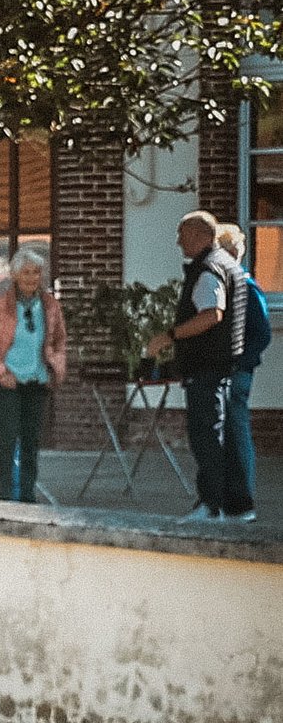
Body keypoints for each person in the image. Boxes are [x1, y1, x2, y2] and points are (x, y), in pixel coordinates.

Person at [145, 209, 247, 522]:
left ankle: (211, 505)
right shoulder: (229, 264)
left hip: (206, 367)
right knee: (226, 437)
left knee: (206, 437)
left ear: (198, 234)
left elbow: (211, 314)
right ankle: (238, 506)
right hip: (224, 365)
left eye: (182, 235)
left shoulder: (208, 269)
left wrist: (169, 336)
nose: (178, 242)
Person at [0, 248, 69, 502]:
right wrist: (0, 372)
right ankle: (1, 496)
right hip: (8, 382)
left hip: (37, 381)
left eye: (36, 273)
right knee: (7, 440)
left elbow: (59, 341)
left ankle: (27, 496)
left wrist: (55, 366)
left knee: (31, 442)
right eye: (26, 273)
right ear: (14, 275)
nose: (32, 278)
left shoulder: (50, 306)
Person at [217, 223, 270, 523]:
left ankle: (241, 495)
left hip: (237, 371)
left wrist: (240, 361)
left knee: (236, 433)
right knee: (231, 432)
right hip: (235, 369)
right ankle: (232, 494)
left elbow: (261, 333)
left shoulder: (246, 288)